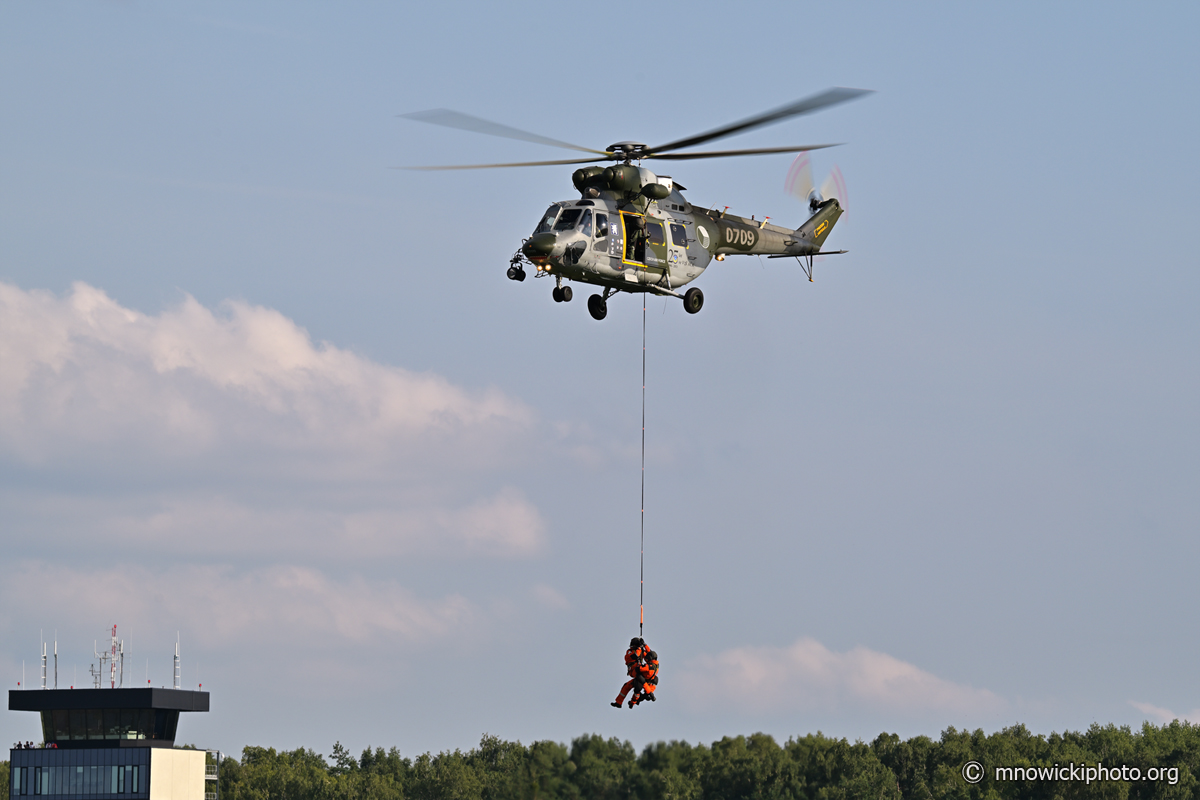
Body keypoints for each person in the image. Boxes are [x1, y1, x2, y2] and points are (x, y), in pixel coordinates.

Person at [611, 637, 645, 707]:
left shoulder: (639, 650)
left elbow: (648, 655)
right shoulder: (629, 651)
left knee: (635, 687)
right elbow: (634, 656)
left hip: (640, 672)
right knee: (627, 686)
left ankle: (637, 699)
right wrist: (640, 648)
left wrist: (644, 645)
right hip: (634, 671)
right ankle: (619, 702)